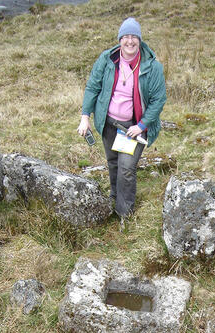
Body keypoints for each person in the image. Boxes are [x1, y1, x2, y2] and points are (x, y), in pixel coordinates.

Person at [77, 17, 166, 226]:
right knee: (113, 163)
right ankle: (114, 199)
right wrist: (85, 117)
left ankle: (125, 214)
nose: (130, 41)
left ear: (140, 40)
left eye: (134, 36)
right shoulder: (107, 60)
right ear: (120, 39)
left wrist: (142, 125)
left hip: (133, 127)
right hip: (109, 123)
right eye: (125, 36)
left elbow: (158, 100)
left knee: (126, 168)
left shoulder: (152, 67)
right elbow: (92, 87)